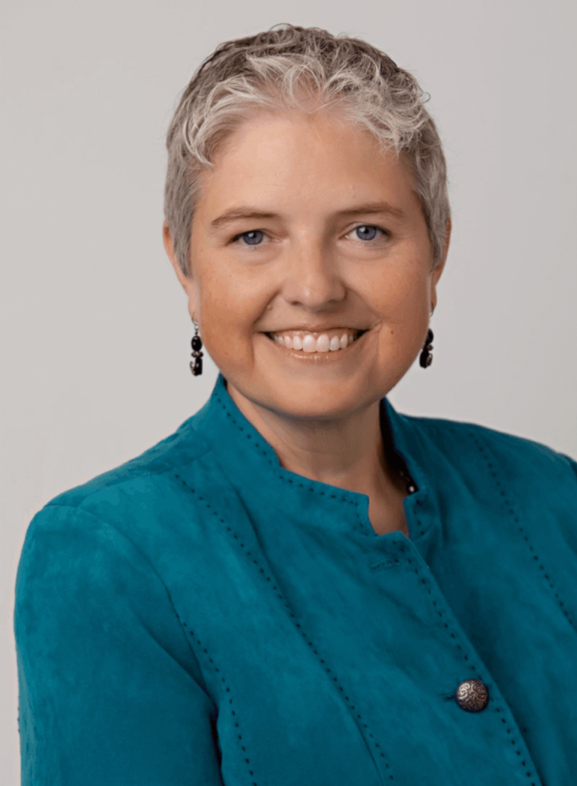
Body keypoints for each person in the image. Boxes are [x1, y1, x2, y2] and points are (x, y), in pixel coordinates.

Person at [13, 23, 577, 786]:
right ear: (184, 264)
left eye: (366, 230)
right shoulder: (107, 560)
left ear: (436, 250)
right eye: (253, 236)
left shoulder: (549, 496)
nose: (314, 288)